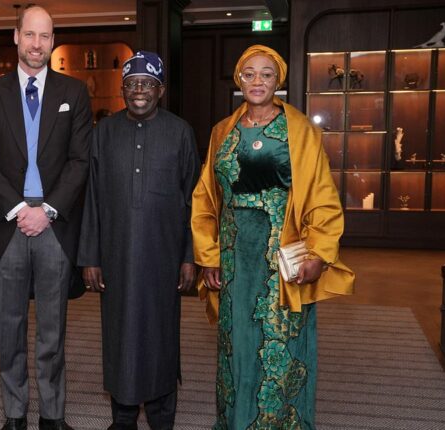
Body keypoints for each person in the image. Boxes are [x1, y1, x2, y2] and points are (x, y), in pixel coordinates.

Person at [190, 45, 355, 429]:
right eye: (249, 73)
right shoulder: (222, 131)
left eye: (266, 74)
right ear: (239, 79)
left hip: (281, 259)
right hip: (233, 259)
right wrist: (209, 255)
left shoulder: (299, 130)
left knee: (278, 347)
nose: (257, 81)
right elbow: (205, 198)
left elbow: (322, 197)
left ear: (278, 80)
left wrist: (319, 253)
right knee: (238, 344)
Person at [0, 5, 92, 430]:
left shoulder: (74, 93)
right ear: (16, 37)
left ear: (52, 41)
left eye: (45, 36)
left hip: (55, 227)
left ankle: (52, 416)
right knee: (9, 329)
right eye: (30, 35)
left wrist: (48, 210)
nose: (37, 44)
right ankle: (15, 415)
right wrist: (21, 209)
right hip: (9, 225)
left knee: (53, 332)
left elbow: (80, 161)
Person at [77, 50, 200, 430]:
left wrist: (189, 256)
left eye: (148, 84)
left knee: (161, 336)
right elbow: (92, 199)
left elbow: (196, 201)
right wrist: (90, 257)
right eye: (132, 85)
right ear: (122, 90)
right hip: (115, 257)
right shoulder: (104, 134)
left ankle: (163, 417)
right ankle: (123, 417)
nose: (139, 91)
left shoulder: (180, 132)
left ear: (160, 91)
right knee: (119, 337)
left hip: (164, 259)